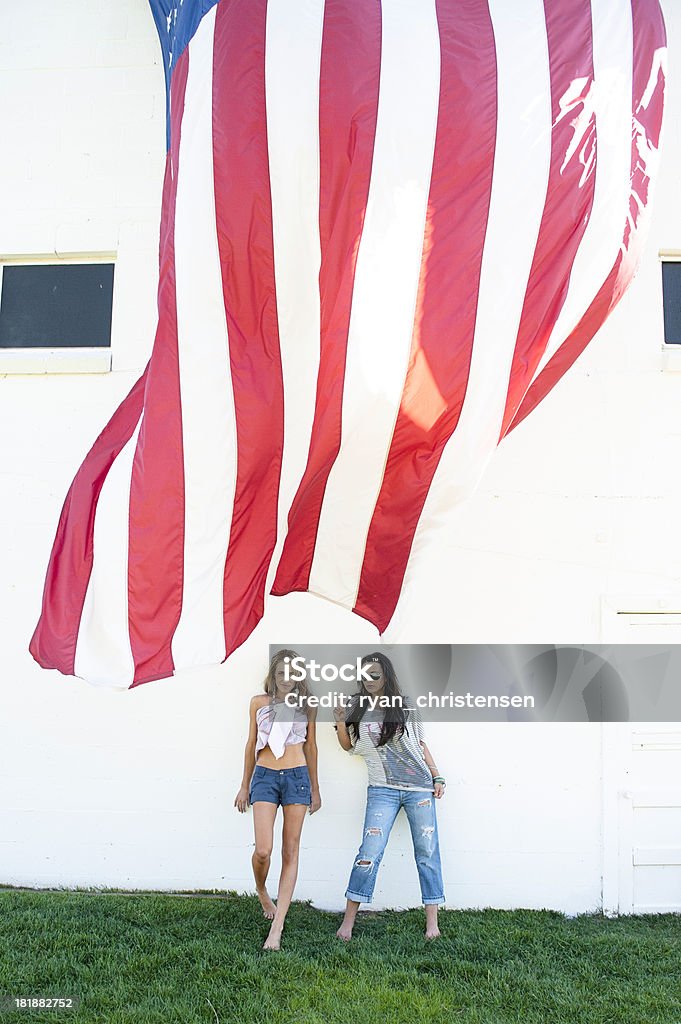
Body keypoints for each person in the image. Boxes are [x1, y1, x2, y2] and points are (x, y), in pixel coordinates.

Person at [333, 651, 446, 940]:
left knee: (427, 853)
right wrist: (340, 723)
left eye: (375, 675)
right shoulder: (356, 707)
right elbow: (348, 746)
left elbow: (420, 746)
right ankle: (348, 922)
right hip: (381, 789)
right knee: (368, 853)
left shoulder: (406, 706)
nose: (369, 680)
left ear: (386, 676)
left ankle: (432, 923)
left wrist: (437, 775)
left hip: (419, 788)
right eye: (365, 675)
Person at [234, 649, 321, 950]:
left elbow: (311, 748)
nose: (287, 679)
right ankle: (261, 889)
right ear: (273, 676)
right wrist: (244, 785)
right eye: (281, 673)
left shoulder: (307, 706)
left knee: (290, 851)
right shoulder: (258, 703)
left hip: (297, 778)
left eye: (292, 673)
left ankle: (278, 927)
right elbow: (250, 745)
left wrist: (315, 787)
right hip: (265, 777)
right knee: (263, 850)